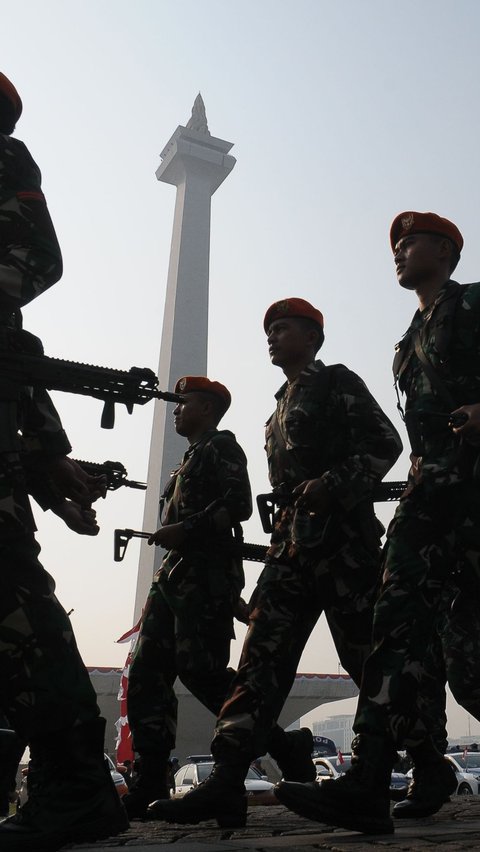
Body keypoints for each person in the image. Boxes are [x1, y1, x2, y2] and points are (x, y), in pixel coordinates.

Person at [148, 297, 402, 828]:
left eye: (283, 328)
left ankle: (376, 782)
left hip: (345, 548)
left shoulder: (336, 382)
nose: (272, 336)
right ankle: (225, 781)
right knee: (258, 662)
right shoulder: (275, 413)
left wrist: (333, 487)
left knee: (369, 660)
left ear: (312, 337)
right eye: (269, 330)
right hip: (290, 552)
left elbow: (384, 443)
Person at [275, 212, 480, 834]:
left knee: (468, 660)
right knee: (397, 627)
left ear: (444, 250)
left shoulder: (471, 306)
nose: (399, 251)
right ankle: (367, 781)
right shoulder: (408, 340)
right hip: (429, 502)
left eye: (411, 240)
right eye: (395, 244)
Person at [0, 71, 128, 851]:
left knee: (9, 597)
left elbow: (32, 263)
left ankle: (77, 784)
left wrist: (49, 458)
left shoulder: (5, 161)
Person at [124, 376, 316, 818]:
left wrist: (187, 530)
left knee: (204, 674)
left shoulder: (221, 448)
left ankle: (283, 748)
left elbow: (240, 504)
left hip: (205, 579)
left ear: (207, 408)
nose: (174, 410)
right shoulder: (183, 464)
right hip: (172, 579)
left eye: (182, 402)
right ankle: (149, 780)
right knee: (146, 678)